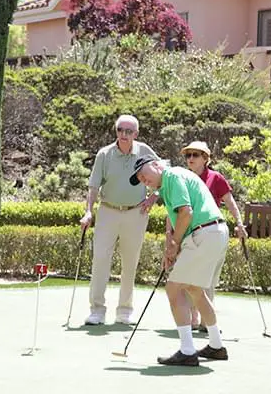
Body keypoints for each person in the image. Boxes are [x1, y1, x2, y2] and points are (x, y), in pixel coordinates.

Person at [130, 155, 229, 366]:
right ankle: (216, 346)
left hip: (204, 232)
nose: (142, 179)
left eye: (143, 174)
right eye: (139, 178)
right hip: (214, 233)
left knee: (174, 288)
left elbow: (186, 213)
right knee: (194, 289)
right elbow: (181, 217)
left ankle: (187, 350)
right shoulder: (169, 182)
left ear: (156, 165)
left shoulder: (172, 175)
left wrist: (174, 245)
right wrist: (174, 248)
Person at [80, 115, 160, 325]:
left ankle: (124, 311)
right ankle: (97, 310)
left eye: (128, 131)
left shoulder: (144, 151)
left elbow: (164, 174)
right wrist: (89, 211)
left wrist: (154, 196)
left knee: (130, 263)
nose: (123, 135)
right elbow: (94, 186)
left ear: (136, 133)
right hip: (108, 211)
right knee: (100, 260)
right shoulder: (104, 154)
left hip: (136, 212)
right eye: (120, 130)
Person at [179, 141, 247, 331]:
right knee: (188, 275)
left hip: (209, 232)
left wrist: (239, 224)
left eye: (195, 155)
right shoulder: (183, 178)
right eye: (188, 155)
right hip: (189, 232)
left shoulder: (215, 178)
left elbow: (230, 202)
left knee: (207, 277)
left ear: (205, 159)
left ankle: (204, 320)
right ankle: (193, 317)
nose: (190, 159)